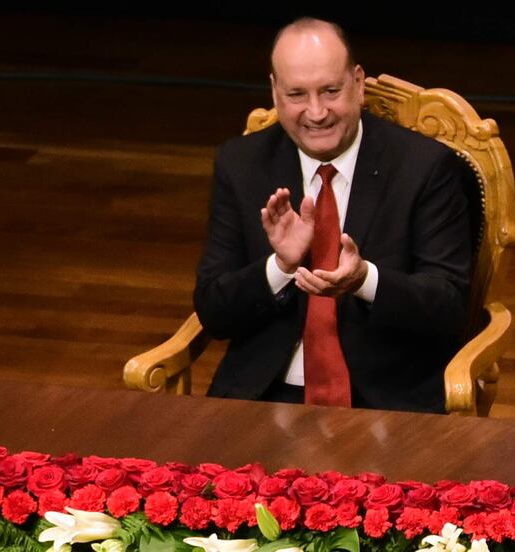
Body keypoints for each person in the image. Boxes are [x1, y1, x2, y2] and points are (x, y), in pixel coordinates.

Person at [193, 17, 472, 413]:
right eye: (297, 95)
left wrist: (365, 280)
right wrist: (280, 267)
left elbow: (449, 307)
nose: (317, 112)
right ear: (274, 91)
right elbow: (213, 310)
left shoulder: (425, 168)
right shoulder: (241, 164)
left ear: (358, 83)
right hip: (262, 396)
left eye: (330, 91)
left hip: (383, 402)